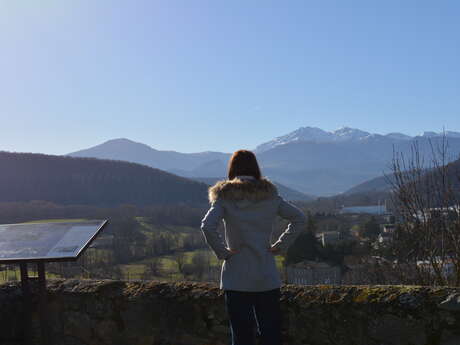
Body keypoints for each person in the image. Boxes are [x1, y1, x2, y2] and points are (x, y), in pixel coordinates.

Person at [200, 149, 307, 345]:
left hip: (236, 276)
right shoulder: (269, 196)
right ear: (255, 168)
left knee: (241, 336)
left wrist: (223, 252)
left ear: (232, 168)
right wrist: (280, 246)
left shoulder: (224, 197)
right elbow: (299, 218)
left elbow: (207, 226)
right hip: (266, 274)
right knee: (270, 334)